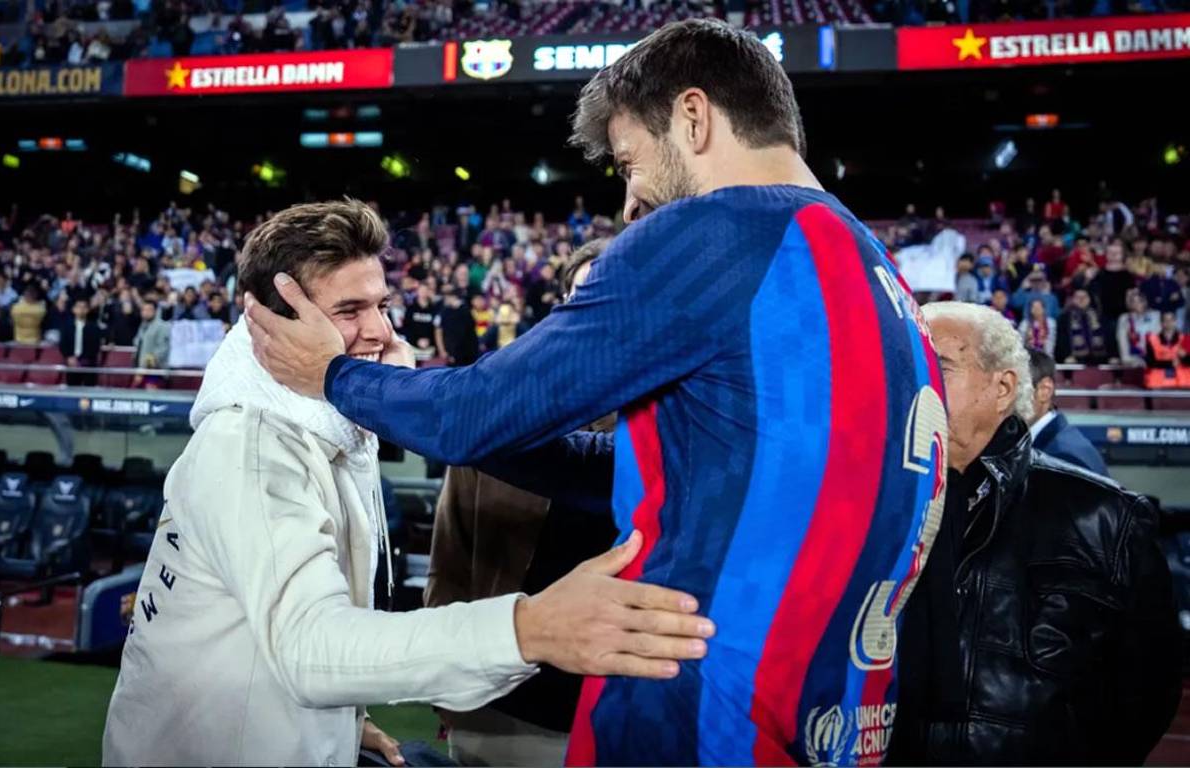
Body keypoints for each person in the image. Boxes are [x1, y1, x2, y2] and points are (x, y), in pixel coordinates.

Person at [245, 20, 946, 767]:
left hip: (701, 713)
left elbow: (473, 413)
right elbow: (651, 472)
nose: (629, 203)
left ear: (694, 117)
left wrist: (335, 374)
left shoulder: (715, 231)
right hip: (831, 718)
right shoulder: (872, 265)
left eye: (627, 161)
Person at [102, 200, 713, 767]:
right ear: (272, 324)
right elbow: (310, 647)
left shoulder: (328, 425)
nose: (379, 332)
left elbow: (277, 638)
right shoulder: (251, 446)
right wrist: (530, 628)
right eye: (348, 311)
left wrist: (341, 719)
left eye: (381, 306)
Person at [889, 301, 1179, 765]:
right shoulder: (872, 504)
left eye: (938, 365)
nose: (913, 383)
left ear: (1003, 387)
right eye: (906, 365)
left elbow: (1145, 692)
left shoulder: (1106, 516)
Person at [427, 239, 619, 767]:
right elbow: (450, 562)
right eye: (585, 299)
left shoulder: (679, 426)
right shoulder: (498, 413)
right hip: (500, 712)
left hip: (623, 716)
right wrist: (448, 684)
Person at [1026, 348, 1109, 476]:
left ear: (1044, 390)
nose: (1001, 397)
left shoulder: (1063, 459)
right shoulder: (1049, 446)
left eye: (1013, 387)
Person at [1055, 288, 1113, 364]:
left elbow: (1109, 337)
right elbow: (1061, 340)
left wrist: (1112, 356)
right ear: (1073, 299)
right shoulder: (1064, 318)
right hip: (1074, 360)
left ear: (1089, 299)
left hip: (1100, 360)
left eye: (1084, 297)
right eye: (1078, 297)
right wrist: (1066, 356)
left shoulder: (1100, 317)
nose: (1081, 299)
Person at [58, 298, 102, 385]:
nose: (81, 310)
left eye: (84, 307)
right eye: (78, 307)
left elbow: (95, 347)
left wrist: (83, 360)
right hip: (71, 365)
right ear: (74, 309)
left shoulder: (94, 328)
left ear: (88, 310)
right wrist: (69, 357)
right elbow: (63, 344)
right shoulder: (67, 327)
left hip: (88, 365)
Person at [132, 295, 171, 388]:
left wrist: (146, 367)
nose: (145, 312)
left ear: (155, 311)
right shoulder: (143, 326)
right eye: (143, 310)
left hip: (155, 369)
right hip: (140, 367)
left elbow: (163, 349)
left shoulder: (163, 326)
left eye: (149, 310)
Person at [1144, 311, 1190, 389]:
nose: (1168, 323)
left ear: (1175, 322)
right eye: (1165, 320)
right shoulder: (1152, 340)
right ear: (1161, 323)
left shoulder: (1186, 339)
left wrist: (1185, 357)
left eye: (1171, 320)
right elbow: (1150, 362)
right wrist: (1169, 363)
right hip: (1157, 383)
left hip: (1183, 383)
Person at [1116, 289, 1161, 368]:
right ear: (1130, 304)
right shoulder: (1124, 319)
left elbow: (1159, 339)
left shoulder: (1155, 315)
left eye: (1140, 301)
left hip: (1154, 357)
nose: (1137, 304)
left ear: (1145, 302)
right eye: (1133, 301)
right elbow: (1123, 347)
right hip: (1134, 360)